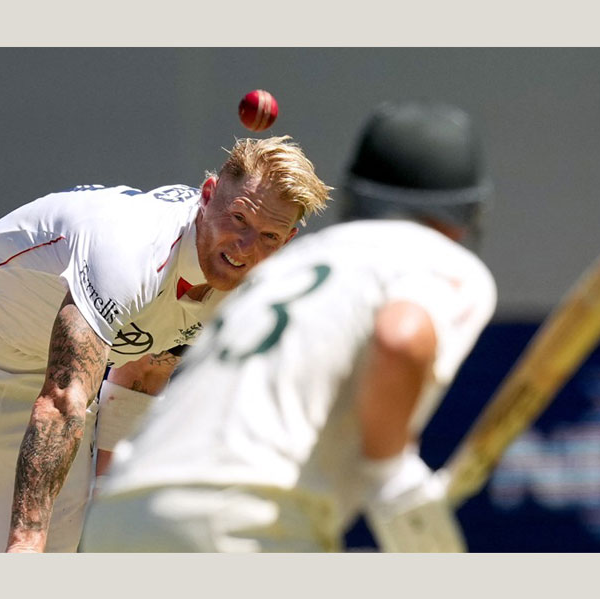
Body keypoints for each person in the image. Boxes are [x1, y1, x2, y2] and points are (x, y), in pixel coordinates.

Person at [0, 135, 331, 553]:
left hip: (44, 387)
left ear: (288, 240)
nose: (246, 246)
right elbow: (64, 400)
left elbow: (146, 373)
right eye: (238, 218)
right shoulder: (129, 248)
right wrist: (25, 544)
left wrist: (112, 515)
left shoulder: (248, 290)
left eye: (268, 236)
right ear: (208, 195)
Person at [80, 100, 497, 552]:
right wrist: (394, 481)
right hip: (243, 520)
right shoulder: (440, 260)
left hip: (122, 512)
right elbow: (400, 339)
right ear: (469, 212)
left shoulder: (291, 264)